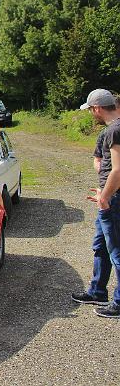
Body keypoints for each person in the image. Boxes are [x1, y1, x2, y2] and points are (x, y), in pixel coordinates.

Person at [72, 89, 120, 318]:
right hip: (110, 196)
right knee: (100, 246)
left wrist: (105, 196)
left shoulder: (114, 130)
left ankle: (118, 303)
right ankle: (98, 291)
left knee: (116, 251)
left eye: (91, 109)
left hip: (113, 200)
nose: (92, 113)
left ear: (97, 108)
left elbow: (118, 170)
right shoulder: (112, 129)